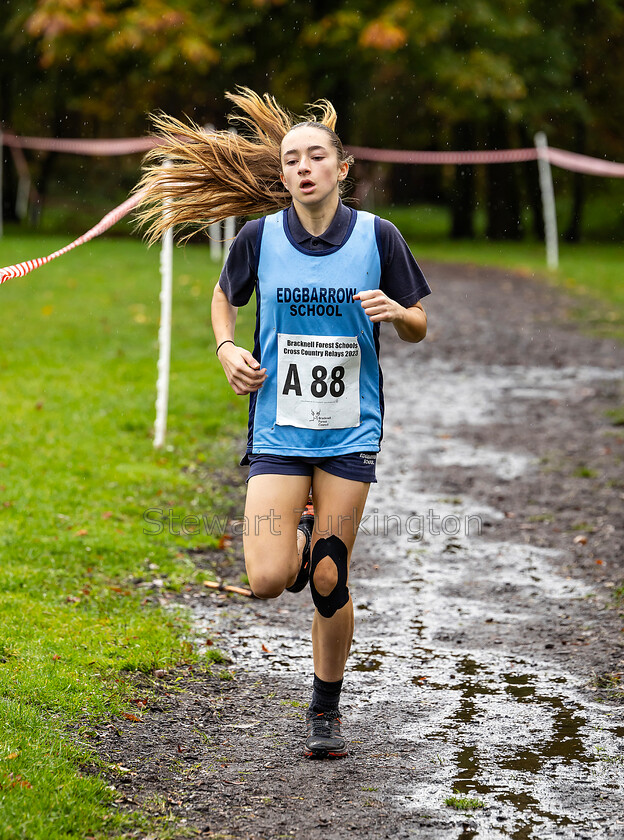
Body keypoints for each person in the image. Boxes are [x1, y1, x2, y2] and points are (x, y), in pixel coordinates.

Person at [136, 89, 430, 758]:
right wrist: (226, 348)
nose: (303, 167)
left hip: (351, 427)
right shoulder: (259, 237)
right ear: (284, 173)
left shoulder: (378, 236)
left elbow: (419, 325)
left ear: (341, 167)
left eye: (315, 156)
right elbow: (223, 298)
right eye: (292, 159)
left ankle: (324, 711)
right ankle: (297, 530)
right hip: (278, 428)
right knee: (268, 579)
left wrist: (397, 312)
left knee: (329, 574)